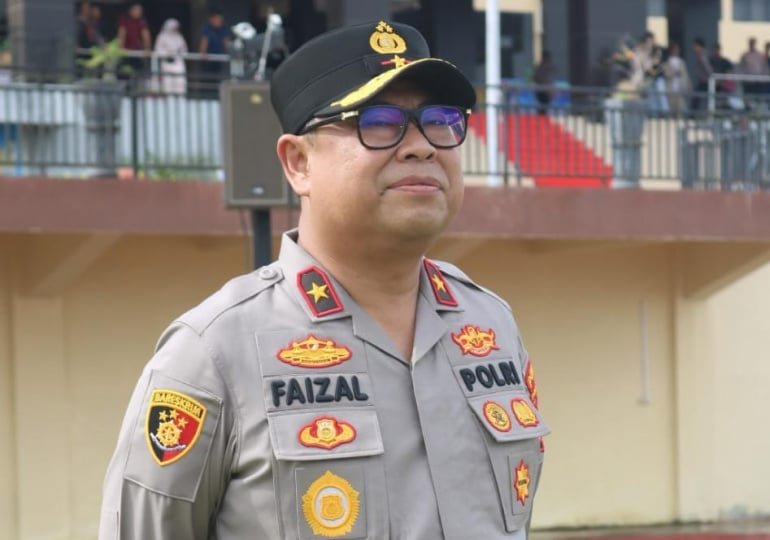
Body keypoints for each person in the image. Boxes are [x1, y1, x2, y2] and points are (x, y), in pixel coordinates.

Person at [98, 19, 549, 540]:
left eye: (441, 120)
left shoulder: (491, 325)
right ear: (298, 163)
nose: (423, 146)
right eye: (379, 122)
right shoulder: (214, 352)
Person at [116, 2, 151, 80]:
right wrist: (121, 48)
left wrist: (147, 49)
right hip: (126, 51)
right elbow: (122, 34)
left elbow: (146, 36)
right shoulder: (125, 19)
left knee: (140, 70)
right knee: (123, 70)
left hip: (137, 51)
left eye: (140, 10)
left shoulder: (142, 21)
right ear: (131, 10)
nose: (138, 12)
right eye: (137, 10)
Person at [153, 19, 188, 95]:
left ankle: (180, 97)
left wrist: (179, 54)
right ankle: (169, 97)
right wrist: (167, 54)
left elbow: (184, 49)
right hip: (166, 63)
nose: (175, 29)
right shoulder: (161, 36)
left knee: (180, 81)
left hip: (178, 63)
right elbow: (158, 49)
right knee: (167, 82)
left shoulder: (179, 37)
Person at [198, 11, 232, 84]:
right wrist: (203, 52)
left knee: (219, 80)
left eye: (220, 20)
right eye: (217, 19)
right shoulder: (206, 28)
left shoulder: (223, 29)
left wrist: (231, 52)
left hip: (219, 61)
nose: (219, 21)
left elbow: (226, 43)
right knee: (207, 80)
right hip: (208, 61)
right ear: (211, 19)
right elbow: (204, 43)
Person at [662, 42, 690, 114]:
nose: (676, 51)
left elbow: (685, 76)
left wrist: (687, 87)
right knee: (671, 110)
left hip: (680, 89)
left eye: (677, 49)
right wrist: (674, 73)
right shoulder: (667, 62)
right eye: (675, 49)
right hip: (670, 89)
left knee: (680, 109)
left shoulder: (681, 62)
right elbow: (666, 74)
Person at [691, 37, 713, 111]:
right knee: (697, 99)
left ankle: (694, 114)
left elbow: (708, 69)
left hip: (705, 81)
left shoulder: (703, 55)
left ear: (700, 46)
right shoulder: (701, 55)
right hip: (702, 81)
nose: (694, 48)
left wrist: (712, 77)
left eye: (695, 46)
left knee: (698, 99)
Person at [532, 49, 555, 114]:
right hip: (543, 91)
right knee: (543, 109)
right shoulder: (542, 67)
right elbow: (537, 77)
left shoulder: (544, 67)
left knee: (544, 109)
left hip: (544, 91)